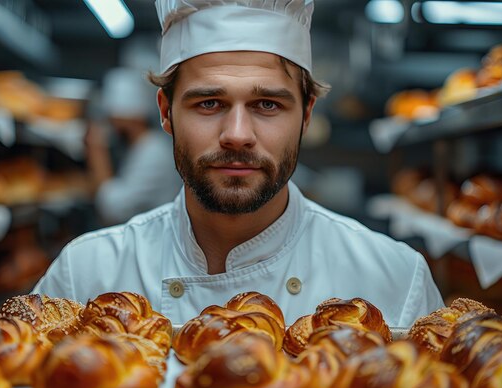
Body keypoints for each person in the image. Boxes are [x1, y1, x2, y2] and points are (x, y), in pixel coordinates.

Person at [33, 0, 444, 326]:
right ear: (166, 112)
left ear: (306, 115)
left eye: (267, 104)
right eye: (209, 103)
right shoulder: (83, 275)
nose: (237, 134)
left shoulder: (395, 281)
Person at [85, 67, 182, 225]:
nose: (110, 122)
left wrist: (96, 150)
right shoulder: (142, 146)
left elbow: (113, 210)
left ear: (134, 117)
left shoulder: (154, 153)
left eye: (114, 117)